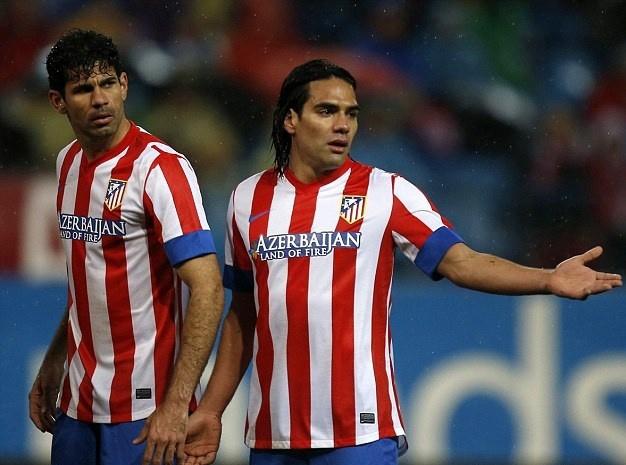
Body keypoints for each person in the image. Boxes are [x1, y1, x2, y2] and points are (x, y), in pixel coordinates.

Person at [182, 59, 622, 465]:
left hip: (359, 434)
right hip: (271, 437)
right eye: (327, 111)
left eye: (351, 114)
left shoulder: (385, 192)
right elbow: (243, 315)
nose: (343, 125)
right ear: (290, 119)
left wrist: (547, 278)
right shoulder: (247, 199)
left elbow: (461, 262)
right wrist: (212, 410)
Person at [27, 29, 224, 465]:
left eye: (108, 84)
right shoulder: (67, 162)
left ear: (125, 85)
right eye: (83, 89)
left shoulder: (160, 169)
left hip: (146, 409)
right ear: (58, 101)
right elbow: (88, 276)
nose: (100, 99)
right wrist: (55, 358)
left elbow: (208, 287)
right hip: (78, 402)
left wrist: (177, 403)